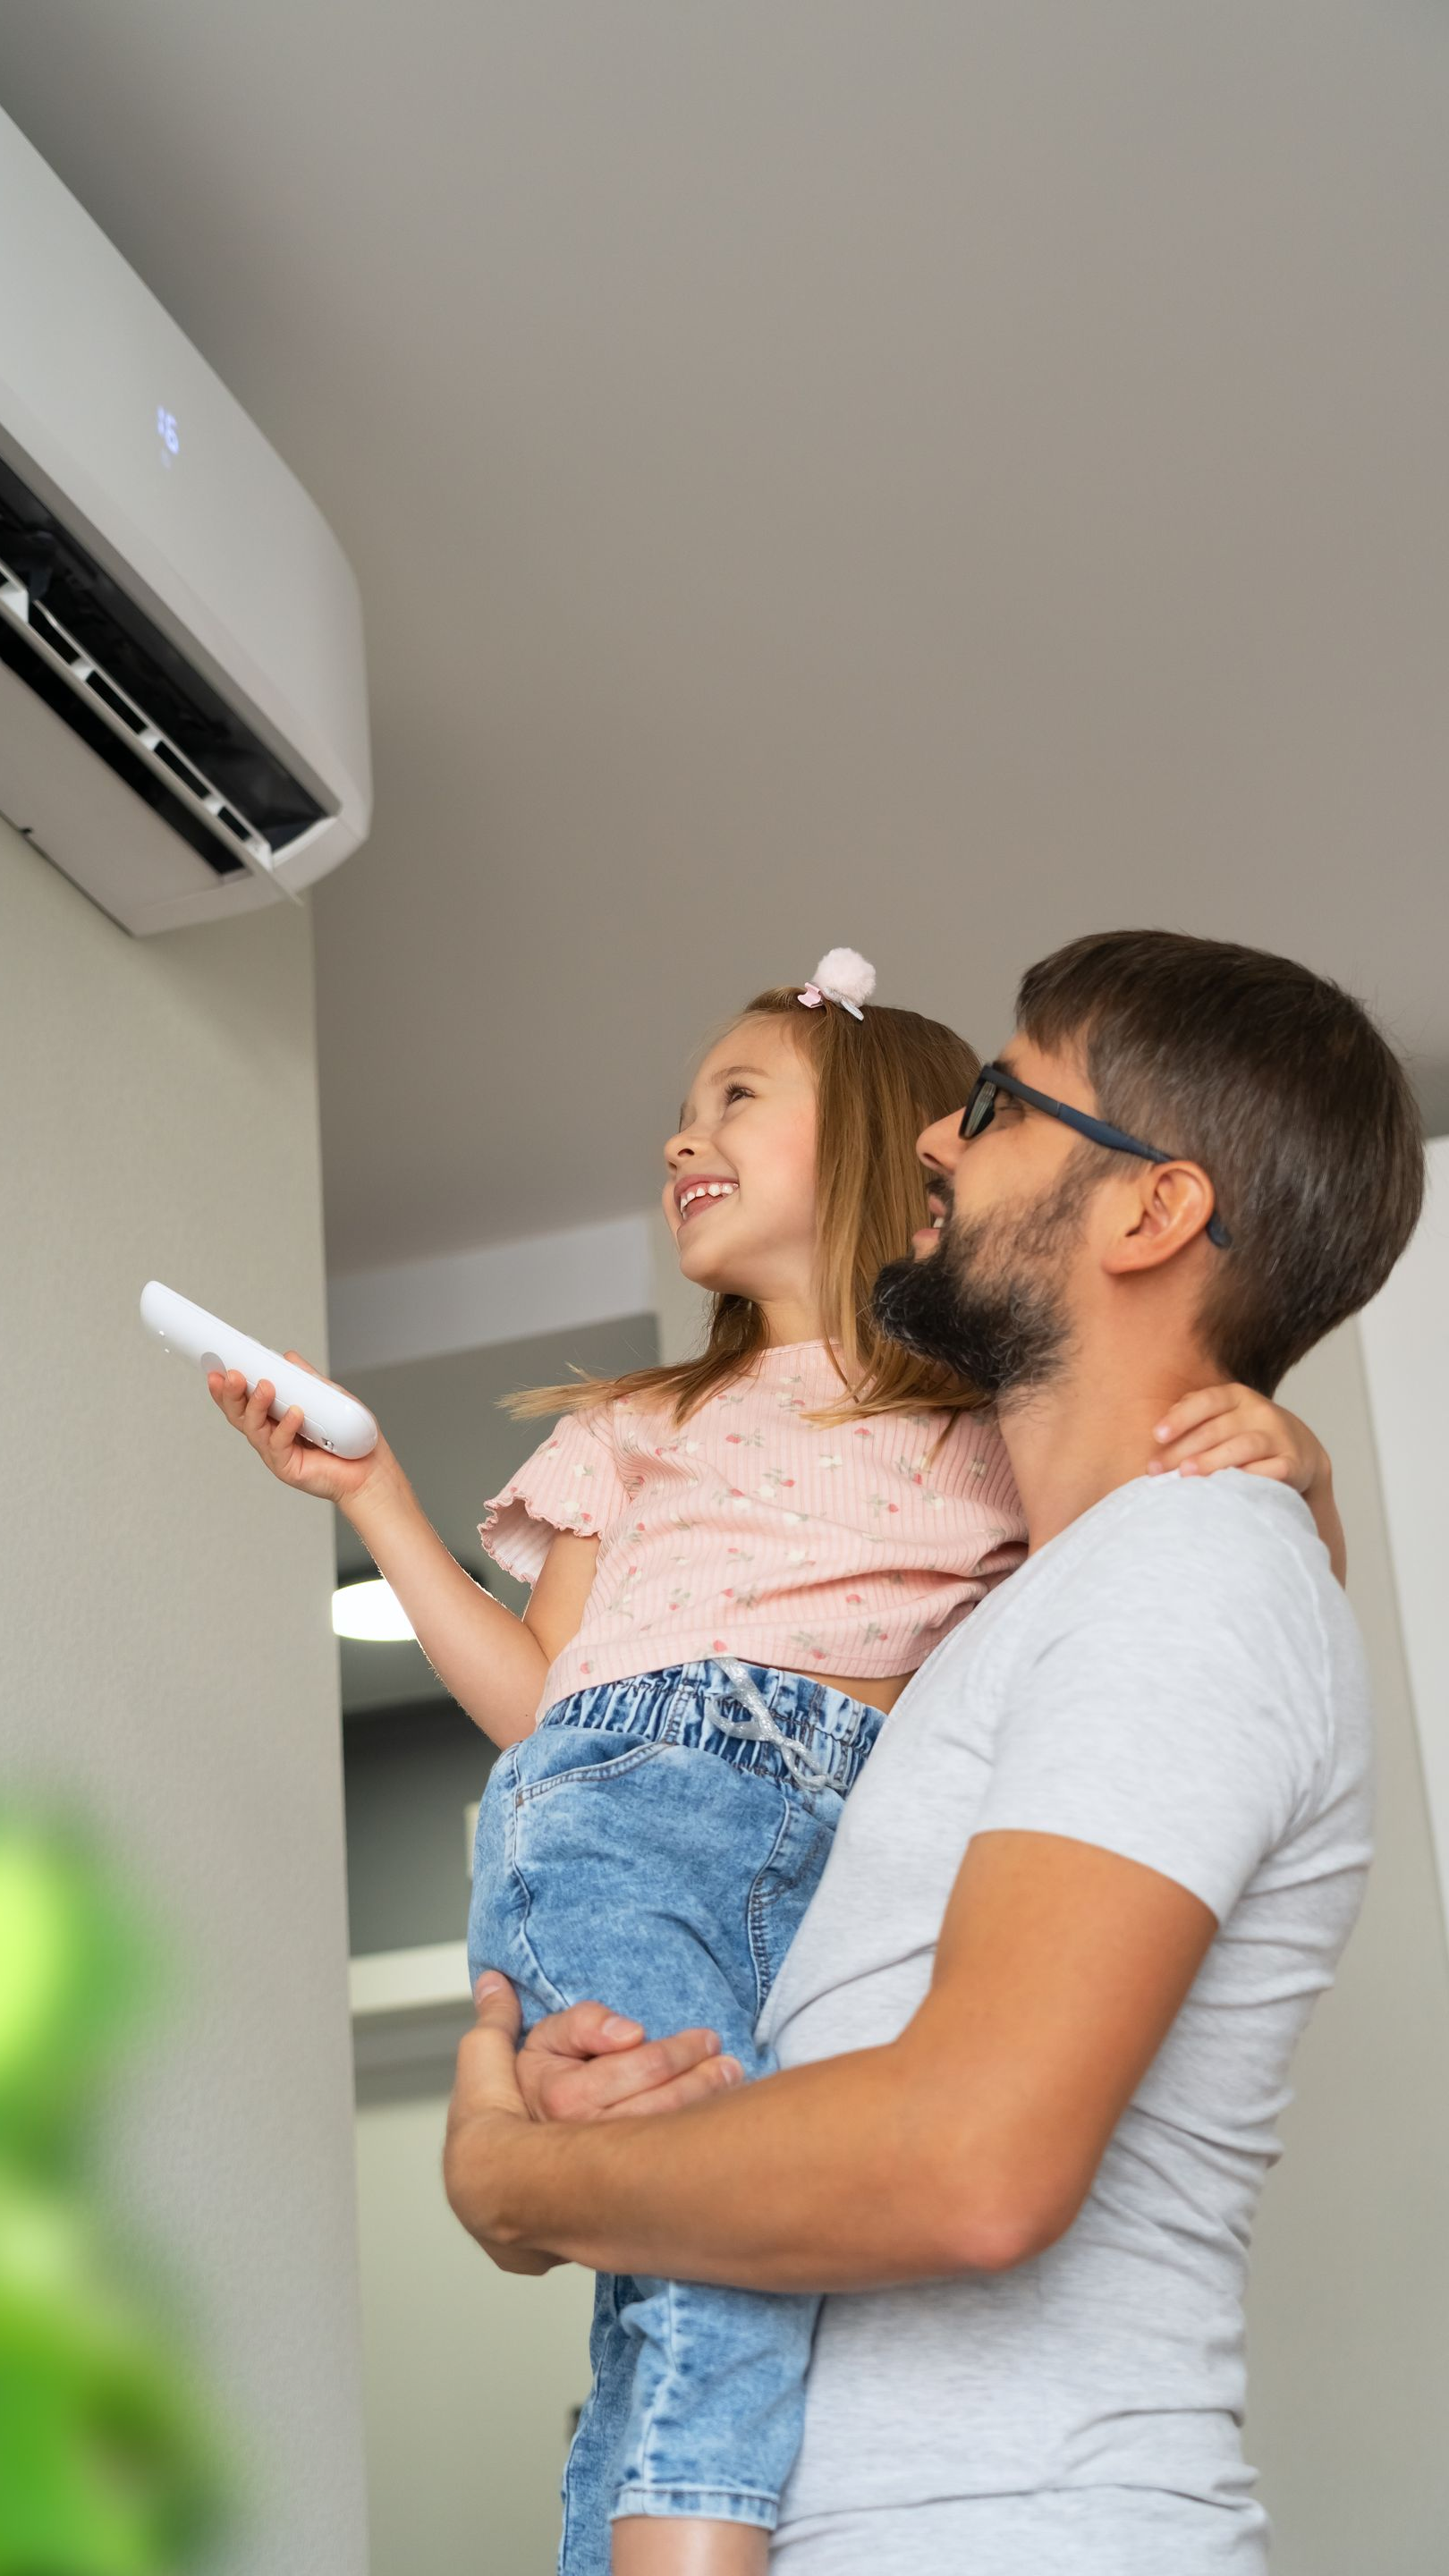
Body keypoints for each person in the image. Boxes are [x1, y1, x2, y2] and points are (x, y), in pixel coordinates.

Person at [211, 947, 1331, 2576]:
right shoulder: (660, 1428)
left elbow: (1225, 1622)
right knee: (687, 2261)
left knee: (695, 2247)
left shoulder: (1070, 1495)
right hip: (631, 1794)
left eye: (736, 1098)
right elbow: (552, 1697)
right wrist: (377, 1498)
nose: (684, 1138)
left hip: (814, 1849)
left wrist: (1293, 1466)